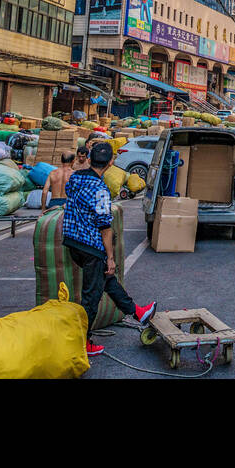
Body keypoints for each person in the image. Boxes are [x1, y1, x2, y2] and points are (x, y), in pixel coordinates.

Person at [62, 141, 156, 357]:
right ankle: (82, 344)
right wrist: (111, 258)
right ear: (111, 162)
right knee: (91, 298)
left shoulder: (75, 177)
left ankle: (138, 313)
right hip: (90, 246)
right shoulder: (101, 190)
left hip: (72, 241)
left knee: (106, 280)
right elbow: (105, 227)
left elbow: (71, 196)